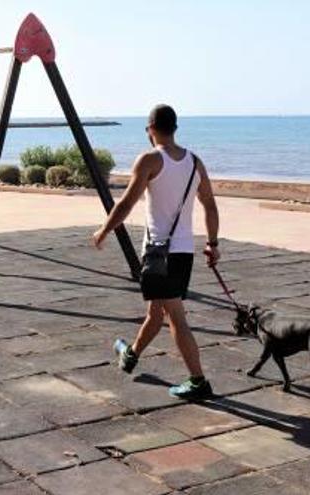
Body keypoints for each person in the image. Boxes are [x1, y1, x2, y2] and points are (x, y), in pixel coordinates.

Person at [91, 104, 220, 400]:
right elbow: (210, 205)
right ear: (174, 128)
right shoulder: (195, 162)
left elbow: (126, 203)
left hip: (158, 253)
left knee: (175, 316)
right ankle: (131, 354)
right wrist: (213, 243)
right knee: (156, 312)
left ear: (150, 129)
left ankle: (199, 381)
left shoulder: (150, 159)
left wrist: (103, 231)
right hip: (183, 252)